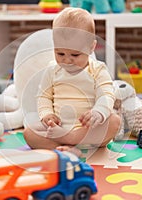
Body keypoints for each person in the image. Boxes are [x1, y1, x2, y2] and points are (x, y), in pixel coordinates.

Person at [23, 7, 121, 156]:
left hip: (88, 130)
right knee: (29, 133)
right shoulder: (52, 70)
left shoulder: (97, 69)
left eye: (75, 54)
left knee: (114, 122)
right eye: (60, 53)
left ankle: (70, 139)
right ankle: (63, 150)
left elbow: (107, 94)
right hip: (58, 128)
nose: (67, 60)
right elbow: (44, 96)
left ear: (91, 47)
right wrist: (47, 114)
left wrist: (98, 112)